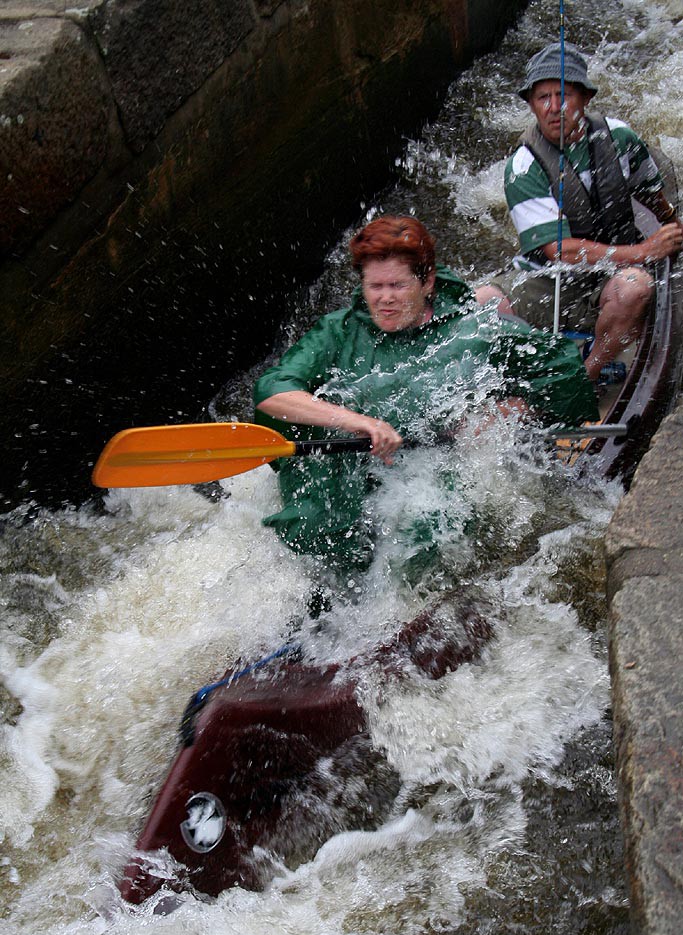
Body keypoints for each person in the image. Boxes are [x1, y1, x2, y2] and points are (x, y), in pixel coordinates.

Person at [254, 215, 598, 571]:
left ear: (427, 282)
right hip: (351, 465)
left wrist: (508, 410)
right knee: (310, 530)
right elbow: (271, 392)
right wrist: (356, 421)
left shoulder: (471, 329)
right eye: (375, 286)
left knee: (426, 529)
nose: (385, 298)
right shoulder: (337, 332)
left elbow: (558, 371)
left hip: (437, 470)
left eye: (398, 286)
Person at [476, 43, 683, 381]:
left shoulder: (619, 138)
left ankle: (586, 376)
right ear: (531, 105)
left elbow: (652, 194)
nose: (555, 108)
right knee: (482, 302)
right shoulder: (523, 166)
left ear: (585, 99)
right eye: (543, 98)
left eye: (565, 95)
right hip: (548, 278)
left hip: (615, 274)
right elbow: (559, 250)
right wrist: (645, 250)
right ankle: (527, 373)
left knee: (635, 288)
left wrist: (671, 229)